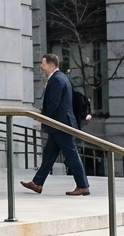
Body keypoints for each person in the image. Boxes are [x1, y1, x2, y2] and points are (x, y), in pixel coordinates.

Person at [21, 54, 90, 196]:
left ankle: (83, 185)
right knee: (49, 154)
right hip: (59, 125)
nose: (41, 67)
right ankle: (37, 183)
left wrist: (43, 117)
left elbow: (53, 103)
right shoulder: (61, 78)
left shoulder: (57, 79)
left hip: (61, 125)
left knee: (71, 155)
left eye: (43, 63)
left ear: (52, 64)